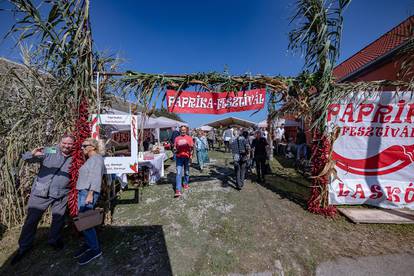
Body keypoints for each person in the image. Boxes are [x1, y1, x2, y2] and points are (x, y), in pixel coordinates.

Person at [11, 135, 74, 265]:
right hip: (41, 192)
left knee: (58, 219)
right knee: (32, 220)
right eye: (64, 143)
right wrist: (32, 155)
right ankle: (24, 247)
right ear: (59, 142)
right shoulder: (51, 150)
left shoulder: (76, 155)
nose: (66, 146)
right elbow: (28, 157)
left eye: (70, 144)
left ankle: (54, 240)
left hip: (61, 193)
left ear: (73, 145)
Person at [74, 138, 105, 265]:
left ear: (92, 147)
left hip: (87, 193)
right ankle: (89, 244)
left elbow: (96, 178)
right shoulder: (92, 159)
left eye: (84, 146)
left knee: (86, 222)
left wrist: (90, 194)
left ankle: (95, 249)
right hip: (84, 192)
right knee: (84, 221)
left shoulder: (96, 159)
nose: (82, 148)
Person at [174, 126, 194, 197]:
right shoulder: (176, 138)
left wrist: (191, 156)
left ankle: (185, 183)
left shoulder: (189, 138)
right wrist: (175, 149)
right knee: (178, 173)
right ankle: (177, 190)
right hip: (179, 157)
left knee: (186, 172)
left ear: (186, 130)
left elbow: (192, 148)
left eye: (184, 130)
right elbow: (175, 148)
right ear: (180, 130)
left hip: (187, 157)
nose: (183, 131)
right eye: (182, 130)